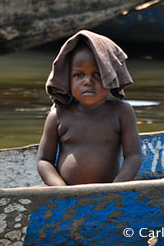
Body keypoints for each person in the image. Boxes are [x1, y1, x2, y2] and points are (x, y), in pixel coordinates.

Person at [36, 30, 142, 186]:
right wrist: (61, 189)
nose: (88, 81)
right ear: (67, 79)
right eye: (79, 75)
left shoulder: (121, 112)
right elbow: (44, 161)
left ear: (110, 76)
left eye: (98, 74)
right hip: (65, 197)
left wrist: (117, 187)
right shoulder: (58, 115)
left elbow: (134, 156)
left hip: (109, 194)